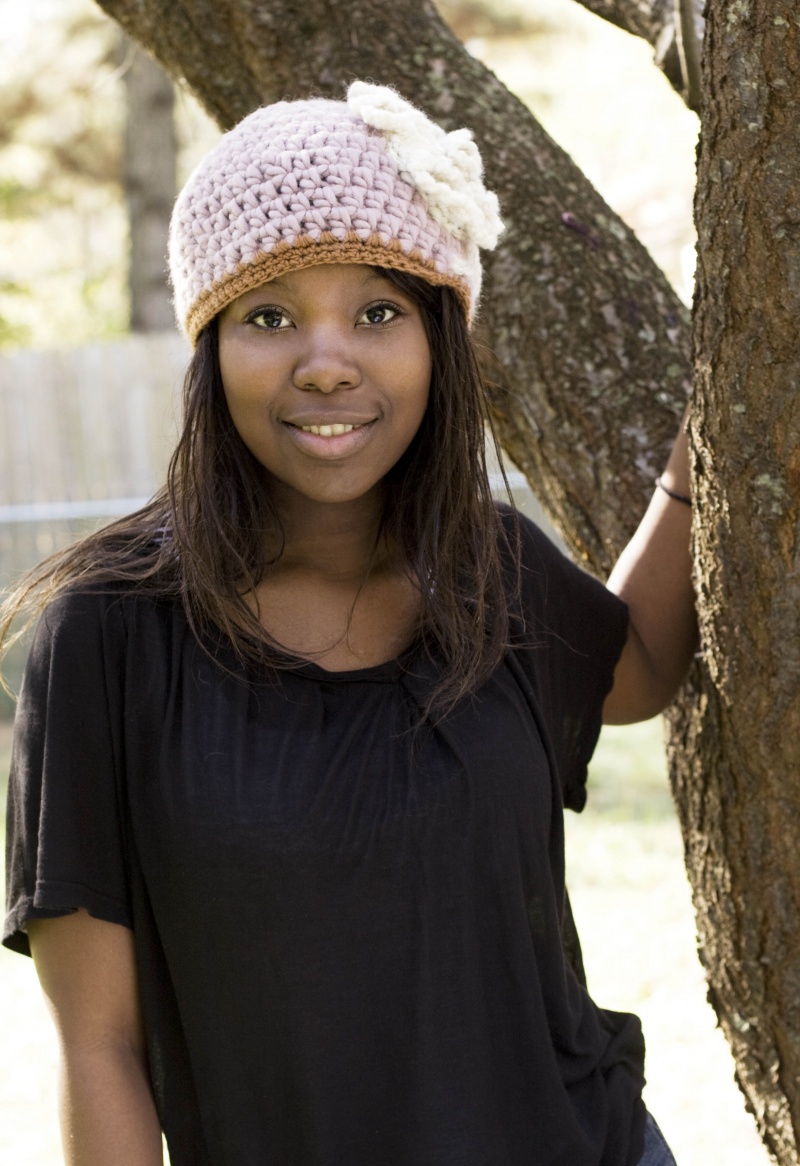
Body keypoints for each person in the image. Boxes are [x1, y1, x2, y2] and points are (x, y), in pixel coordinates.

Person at [1, 82, 695, 1166]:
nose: (326, 361)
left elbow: (638, 668)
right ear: (209, 350)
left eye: (377, 312)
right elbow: (98, 1048)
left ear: (438, 343)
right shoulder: (105, 637)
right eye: (269, 315)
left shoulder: (493, 569)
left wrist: (700, 467)